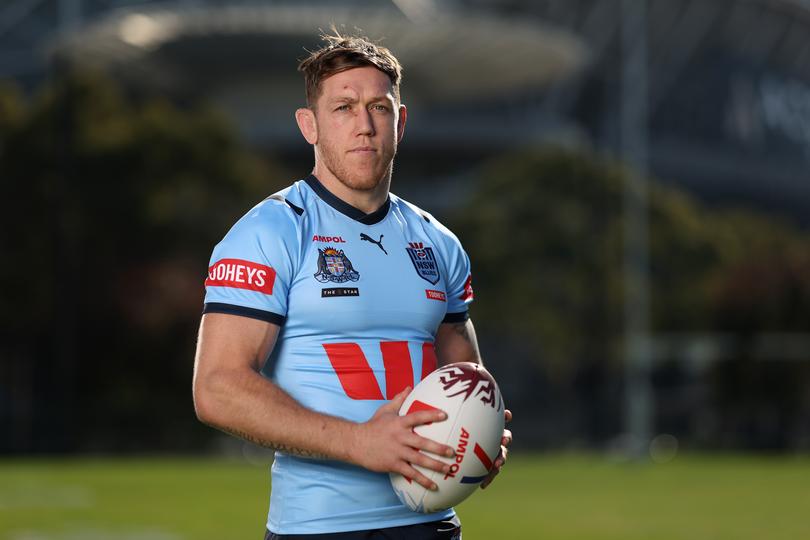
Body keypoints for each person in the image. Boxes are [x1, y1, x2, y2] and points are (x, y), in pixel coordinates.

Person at [192, 30, 512, 539]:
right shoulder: (270, 231)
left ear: (400, 122)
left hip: (431, 525)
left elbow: (465, 371)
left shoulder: (439, 242)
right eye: (343, 108)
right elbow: (216, 388)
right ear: (309, 125)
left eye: (379, 108)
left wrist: (481, 427)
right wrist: (358, 442)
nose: (364, 126)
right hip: (319, 528)